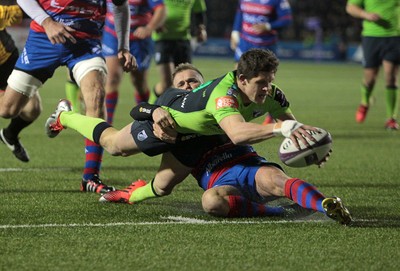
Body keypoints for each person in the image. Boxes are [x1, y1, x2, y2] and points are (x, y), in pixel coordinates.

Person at [45, 50, 352, 224]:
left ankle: (128, 194)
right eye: (181, 82)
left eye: (194, 80)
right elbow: (237, 131)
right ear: (242, 80)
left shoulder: (268, 95)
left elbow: (292, 126)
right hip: (169, 128)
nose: (267, 89)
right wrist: (154, 112)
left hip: (198, 143)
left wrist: (309, 146)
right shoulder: (218, 98)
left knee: (163, 187)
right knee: (113, 146)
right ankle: (64, 116)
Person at [0, 0, 136, 193]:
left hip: (85, 45)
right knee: (8, 110)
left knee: (95, 96)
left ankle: (90, 177)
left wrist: (124, 47)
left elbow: (121, 6)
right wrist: (47, 22)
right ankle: (62, 116)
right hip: (43, 40)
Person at [65, 0, 167, 123]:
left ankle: (145, 121)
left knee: (139, 82)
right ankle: (107, 125)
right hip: (112, 36)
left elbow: (161, 9)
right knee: (111, 79)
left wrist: (150, 27)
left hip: (139, 39)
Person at [230, 0, 293, 125]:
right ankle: (234, 111)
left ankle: (272, 113)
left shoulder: (278, 1)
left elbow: (287, 19)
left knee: (265, 81)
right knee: (237, 77)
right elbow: (240, 12)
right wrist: (235, 32)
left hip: (265, 46)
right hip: (245, 43)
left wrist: (268, 26)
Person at [346, 0, 400, 130]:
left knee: (391, 76)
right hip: (372, 36)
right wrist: (366, 14)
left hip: (395, 36)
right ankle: (365, 102)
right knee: (370, 78)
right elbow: (350, 7)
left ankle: (391, 118)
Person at [150, 0, 207, 102]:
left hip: (184, 39)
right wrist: (154, 22)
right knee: (166, 83)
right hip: (163, 39)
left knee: (185, 81)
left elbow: (199, 12)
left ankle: (180, 111)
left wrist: (201, 29)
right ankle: (151, 106)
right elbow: (148, 7)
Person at [0, 1, 27, 161]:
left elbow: (25, 11)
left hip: (8, 62)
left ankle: (10, 134)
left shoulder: (2, 13)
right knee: (6, 110)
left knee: (33, 110)